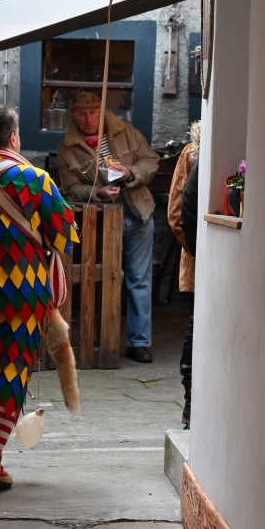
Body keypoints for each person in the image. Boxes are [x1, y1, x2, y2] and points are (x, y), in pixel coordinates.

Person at [0, 104, 78, 493]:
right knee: (9, 372)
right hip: (21, 295)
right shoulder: (36, 179)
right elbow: (62, 237)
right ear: (13, 138)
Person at [57, 91, 158, 363]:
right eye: (82, 113)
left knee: (139, 280)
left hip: (138, 212)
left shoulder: (127, 132)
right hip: (100, 220)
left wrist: (131, 173)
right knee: (106, 279)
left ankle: (139, 343)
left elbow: (150, 160)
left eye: (93, 112)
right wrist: (98, 192)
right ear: (73, 116)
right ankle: (104, 337)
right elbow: (70, 188)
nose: (88, 118)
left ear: (101, 112)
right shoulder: (68, 147)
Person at [167, 122, 200, 427]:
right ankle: (191, 405)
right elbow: (177, 212)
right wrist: (197, 250)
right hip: (196, 257)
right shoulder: (193, 151)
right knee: (195, 332)